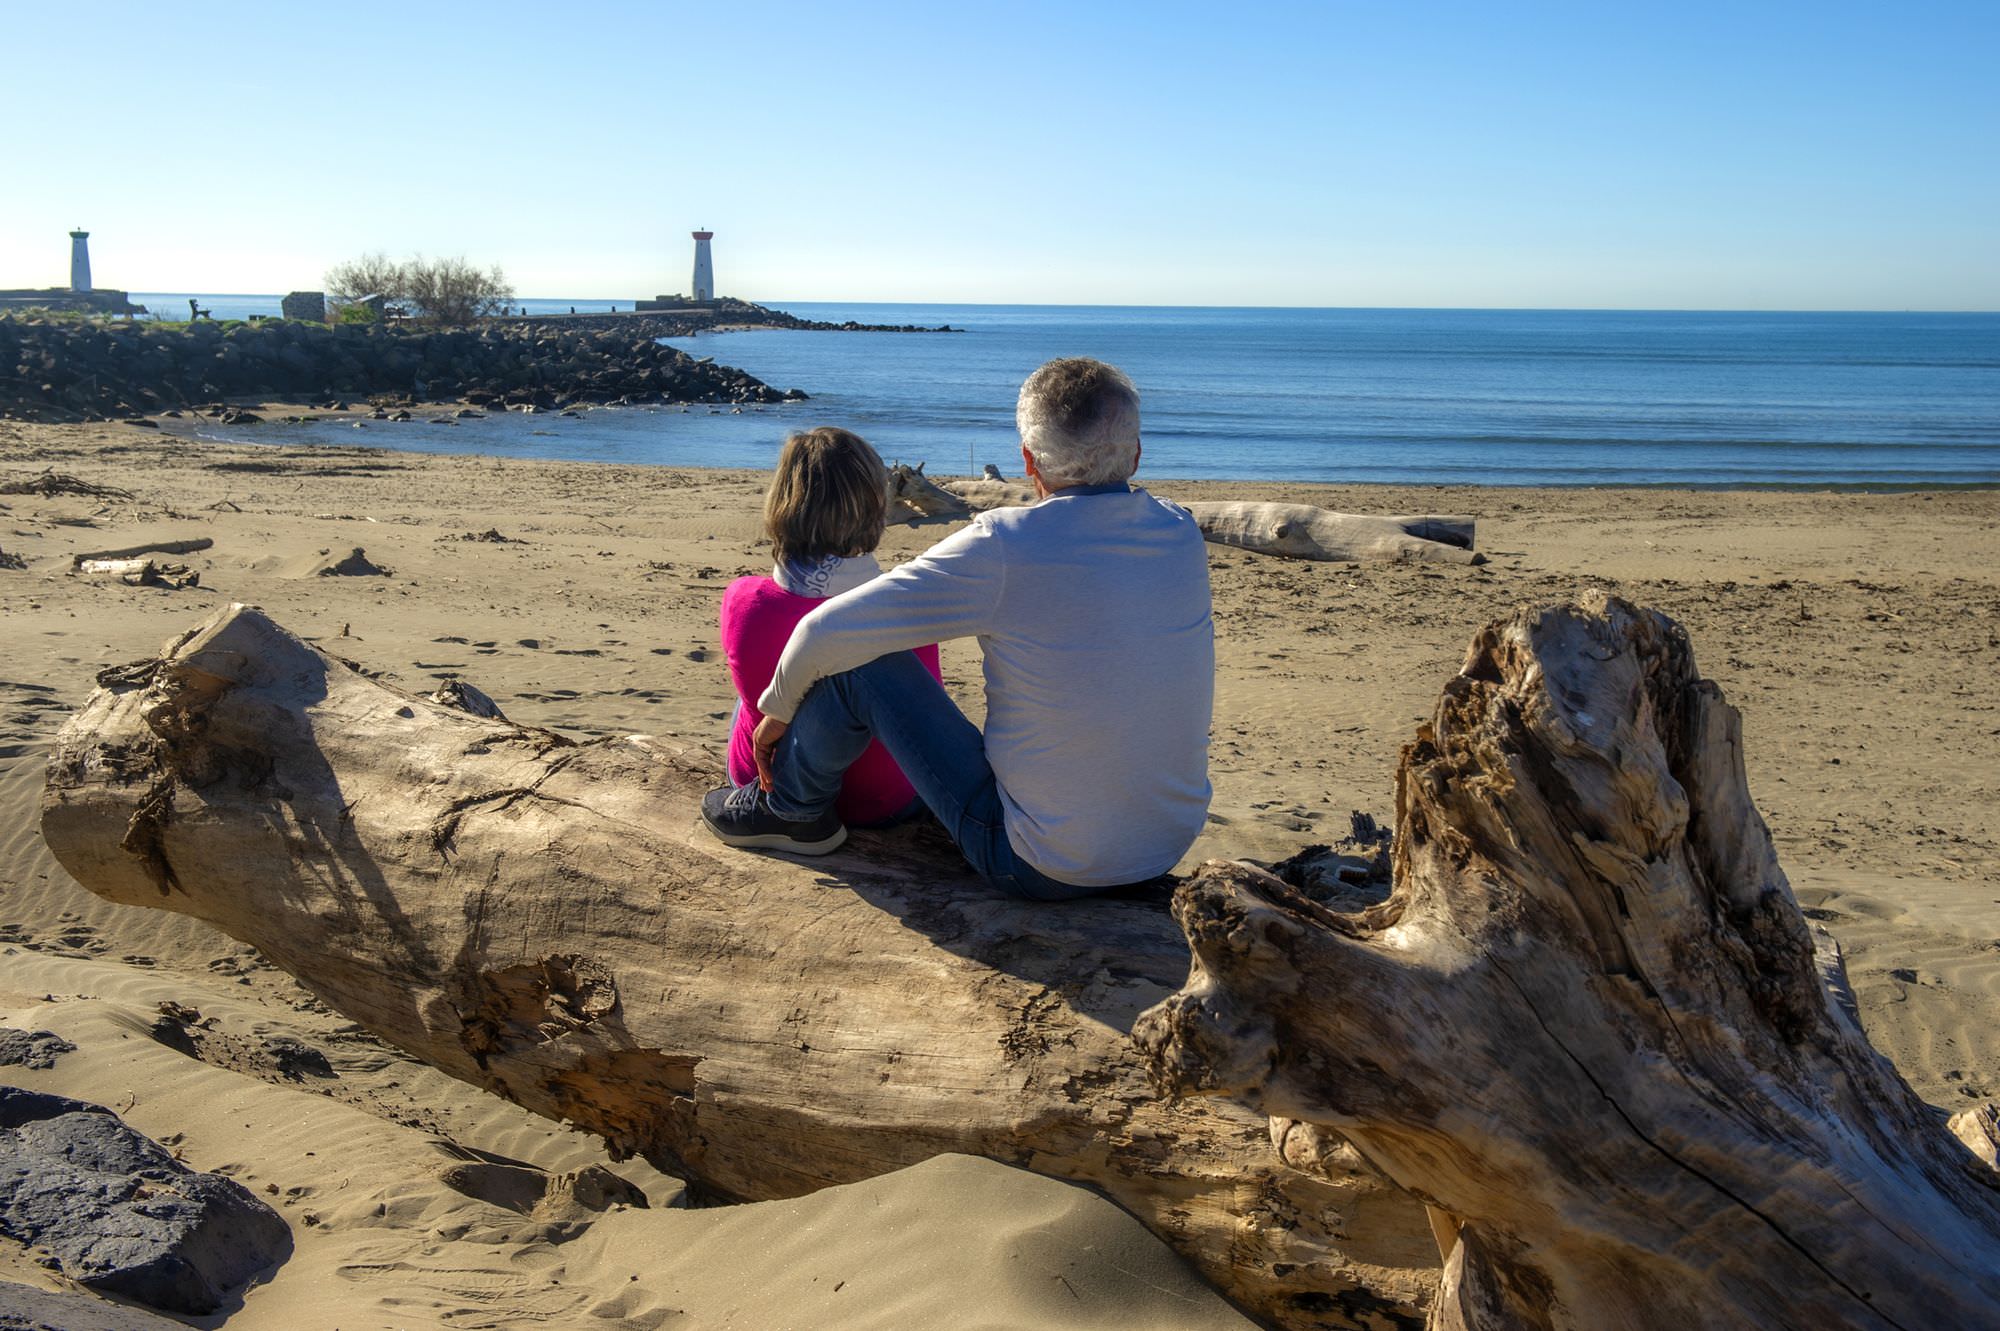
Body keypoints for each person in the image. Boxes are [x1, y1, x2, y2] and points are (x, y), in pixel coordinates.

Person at [701, 358, 1214, 899]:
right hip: (1163, 845)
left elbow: (822, 630)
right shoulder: (1179, 529)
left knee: (868, 659)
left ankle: (790, 808)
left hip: (1038, 863)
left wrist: (775, 715)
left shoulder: (1006, 545)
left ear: (1027, 462)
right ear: (1135, 454)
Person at [719, 427, 941, 832]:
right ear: (875, 508)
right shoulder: (906, 608)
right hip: (880, 801)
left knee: (750, 691)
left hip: (761, 780)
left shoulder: (742, 597)